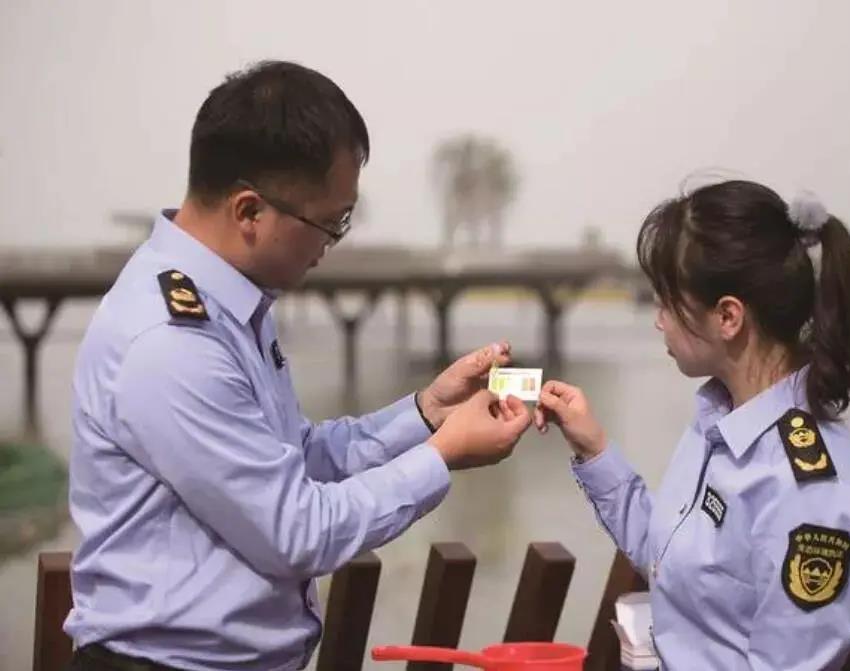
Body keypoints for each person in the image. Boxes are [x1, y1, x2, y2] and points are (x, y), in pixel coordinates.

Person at [66, 60, 531, 671]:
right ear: (249, 212)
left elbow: (295, 458)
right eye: (329, 223)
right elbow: (298, 531)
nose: (330, 246)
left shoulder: (231, 306)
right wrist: (441, 455)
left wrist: (427, 413)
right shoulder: (171, 342)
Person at [536, 179, 850, 670]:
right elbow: (667, 557)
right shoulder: (719, 420)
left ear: (727, 317)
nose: (658, 320)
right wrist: (593, 450)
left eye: (666, 302)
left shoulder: (809, 491)